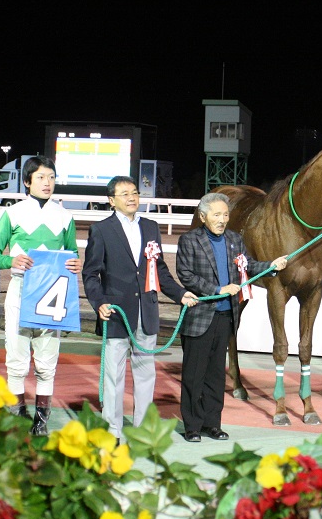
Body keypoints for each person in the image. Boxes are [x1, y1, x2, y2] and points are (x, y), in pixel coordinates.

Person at [82, 176, 199, 440]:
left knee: (146, 374)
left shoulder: (151, 227)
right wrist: (99, 302)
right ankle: (112, 431)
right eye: (124, 194)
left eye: (134, 192)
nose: (132, 198)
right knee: (113, 377)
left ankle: (143, 430)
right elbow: (91, 274)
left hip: (146, 311)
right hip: (116, 313)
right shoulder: (100, 230)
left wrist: (180, 294)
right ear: (112, 200)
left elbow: (159, 270)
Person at [175, 192, 288, 442]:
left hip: (226, 317)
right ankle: (192, 426)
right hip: (200, 317)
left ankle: (212, 423)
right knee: (195, 375)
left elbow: (247, 265)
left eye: (225, 214)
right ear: (203, 216)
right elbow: (185, 275)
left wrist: (271, 265)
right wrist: (217, 290)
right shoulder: (189, 240)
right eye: (217, 214)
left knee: (216, 375)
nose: (222, 219)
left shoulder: (234, 240)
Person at [0, 155, 81, 436]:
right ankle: (17, 417)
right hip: (20, 291)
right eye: (40, 177)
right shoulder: (11, 213)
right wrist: (10, 262)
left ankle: (41, 422)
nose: (47, 183)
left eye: (51, 177)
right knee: (16, 360)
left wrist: (76, 262)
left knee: (47, 362)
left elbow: (72, 253)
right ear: (27, 182)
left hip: (54, 296)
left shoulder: (66, 216)